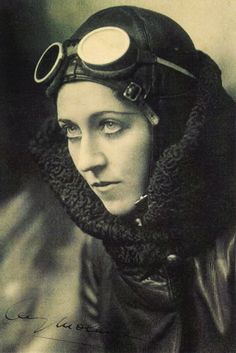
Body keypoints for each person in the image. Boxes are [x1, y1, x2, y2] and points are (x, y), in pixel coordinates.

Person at [31, 6, 235, 353]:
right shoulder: (101, 249)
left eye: (110, 125)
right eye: (72, 130)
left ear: (173, 126)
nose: (86, 161)